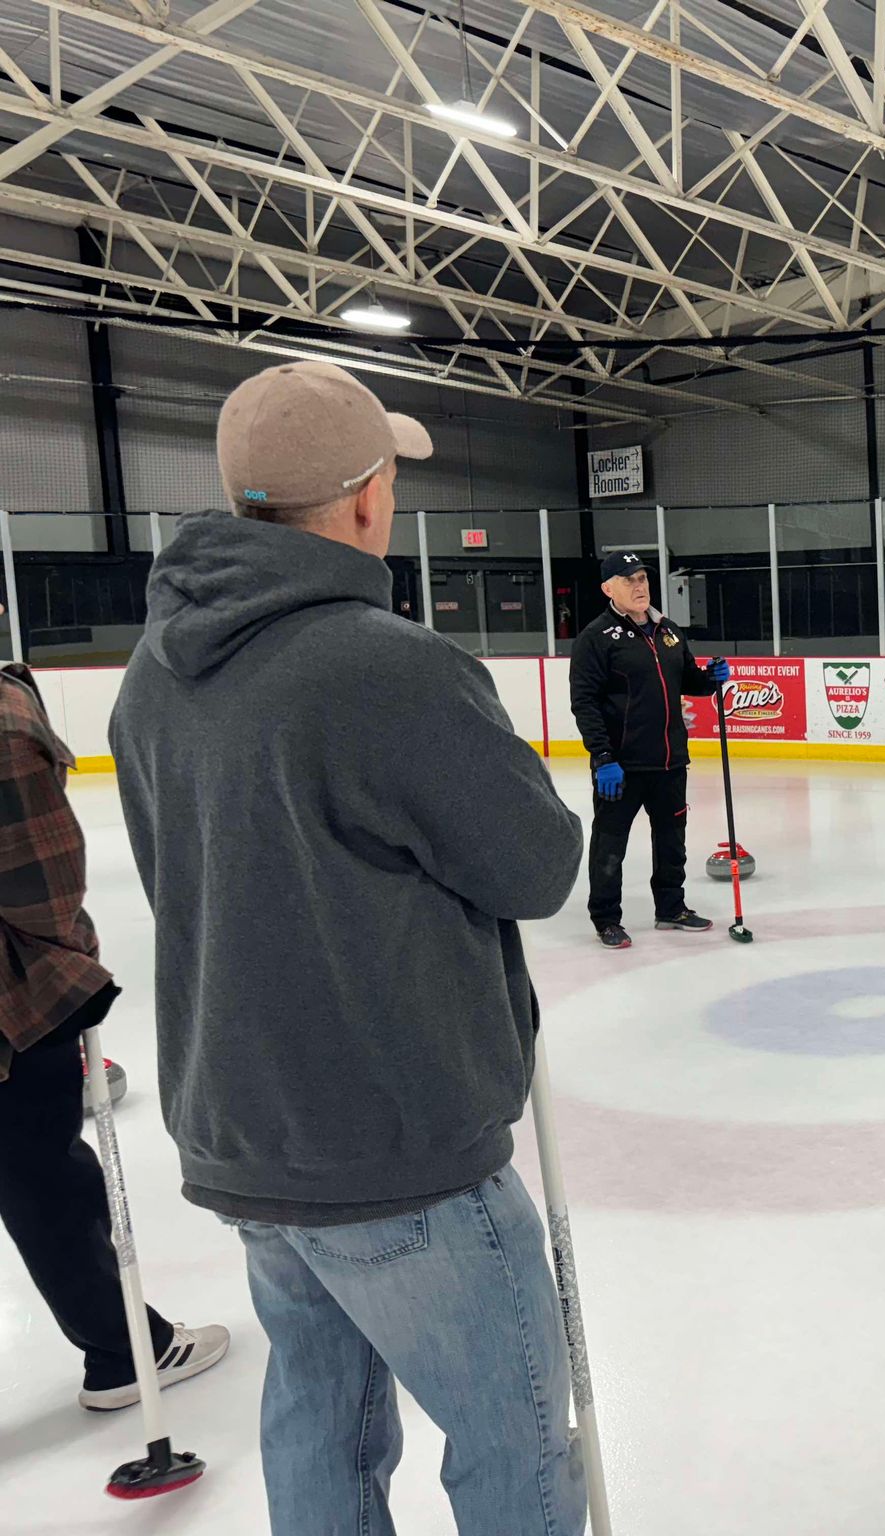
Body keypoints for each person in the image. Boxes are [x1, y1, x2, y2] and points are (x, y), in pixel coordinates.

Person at [110, 360, 588, 1535]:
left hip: (247, 1140)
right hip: (397, 1147)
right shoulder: (388, 666)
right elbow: (535, 866)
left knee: (320, 1424)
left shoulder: (148, 677)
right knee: (513, 1440)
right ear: (366, 498)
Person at [0, 663, 229, 1413]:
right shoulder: (1, 721)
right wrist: (70, 971)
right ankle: (125, 1350)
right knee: (43, 1179)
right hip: (11, 1005)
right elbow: (44, 889)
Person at [569, 550, 730, 948]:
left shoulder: (668, 630)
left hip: (670, 759)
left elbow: (686, 678)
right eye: (629, 580)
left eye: (642, 578)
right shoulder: (595, 638)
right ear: (608, 588)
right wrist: (603, 757)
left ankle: (671, 908)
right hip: (621, 766)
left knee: (672, 838)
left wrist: (710, 678)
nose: (640, 586)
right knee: (611, 843)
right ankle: (606, 918)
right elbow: (584, 702)